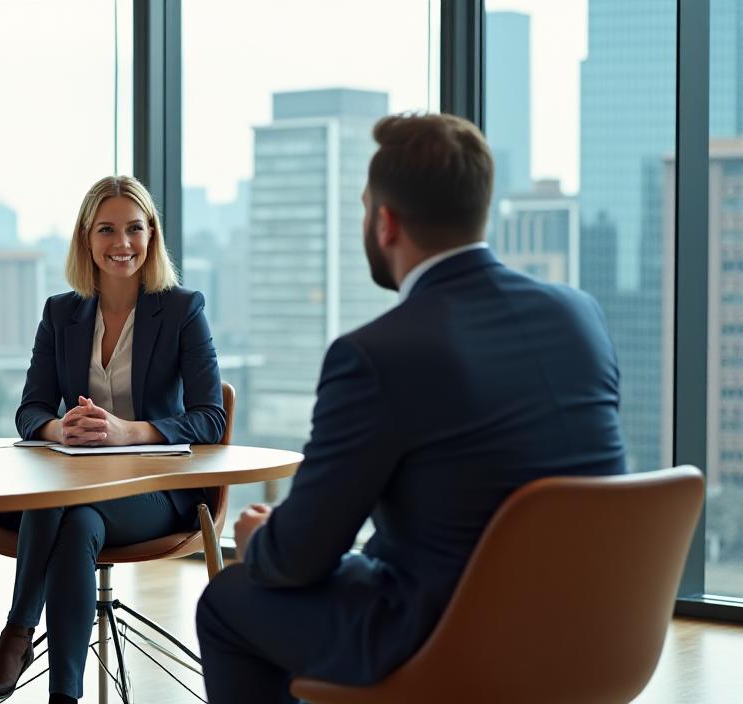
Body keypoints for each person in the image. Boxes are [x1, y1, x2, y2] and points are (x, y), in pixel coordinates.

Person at [195, 113, 628, 703]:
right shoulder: (581, 315)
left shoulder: (377, 354)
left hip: (453, 640)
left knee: (229, 601)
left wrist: (261, 542)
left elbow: (300, 559)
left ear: (385, 222)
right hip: (598, 631)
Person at [0, 175, 226, 704]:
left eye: (134, 228)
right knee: (77, 523)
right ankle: (65, 697)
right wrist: (57, 428)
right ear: (86, 239)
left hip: (156, 491)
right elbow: (31, 410)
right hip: (80, 493)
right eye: (106, 230)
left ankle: (17, 634)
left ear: (151, 235)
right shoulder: (60, 313)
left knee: (57, 498)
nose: (122, 243)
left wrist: (131, 432)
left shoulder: (183, 310)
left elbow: (210, 418)